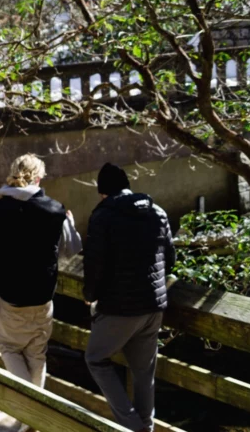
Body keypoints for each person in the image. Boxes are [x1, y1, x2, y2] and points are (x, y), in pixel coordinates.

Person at [0, 153, 82, 389]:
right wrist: (71, 224)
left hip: (11, 301)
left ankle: (30, 412)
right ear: (38, 178)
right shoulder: (56, 210)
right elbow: (71, 250)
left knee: (8, 348)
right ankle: (34, 414)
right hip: (43, 301)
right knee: (37, 355)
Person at [83, 163, 175, 432]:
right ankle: (145, 426)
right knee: (144, 373)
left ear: (103, 193)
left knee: (96, 359)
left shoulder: (103, 216)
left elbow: (95, 264)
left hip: (119, 309)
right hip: (154, 305)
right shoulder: (157, 211)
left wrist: (90, 295)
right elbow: (169, 259)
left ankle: (134, 428)